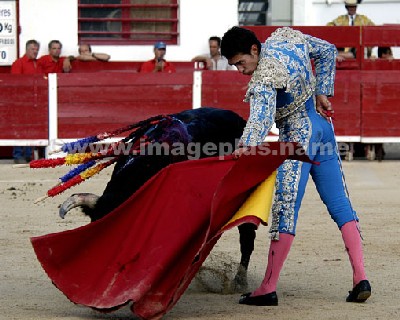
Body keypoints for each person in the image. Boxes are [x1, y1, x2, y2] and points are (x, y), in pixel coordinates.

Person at [220, 26, 371, 306]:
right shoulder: (286, 38)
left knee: (285, 210)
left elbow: (261, 120)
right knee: (340, 204)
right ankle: (360, 277)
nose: (241, 71)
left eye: (241, 62)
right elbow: (327, 50)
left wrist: (244, 146)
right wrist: (322, 93)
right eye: (235, 66)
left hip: (297, 139)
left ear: (254, 50)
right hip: (322, 130)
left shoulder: (264, 76)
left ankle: (267, 287)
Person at [10, 39, 43, 164]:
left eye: (36, 50)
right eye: (32, 49)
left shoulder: (38, 64)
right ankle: (18, 154)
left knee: (31, 127)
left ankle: (28, 154)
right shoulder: (19, 63)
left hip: (34, 101)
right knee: (20, 127)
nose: (35, 52)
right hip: (22, 101)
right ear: (27, 49)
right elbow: (16, 83)